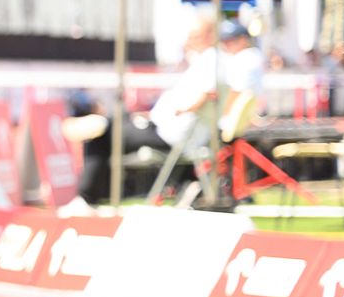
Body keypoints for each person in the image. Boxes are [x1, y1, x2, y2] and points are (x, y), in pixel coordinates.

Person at [75, 15, 262, 202]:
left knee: (102, 131)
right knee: (110, 125)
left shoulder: (212, 61)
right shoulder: (214, 61)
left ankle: (86, 196)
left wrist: (180, 110)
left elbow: (208, 94)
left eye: (195, 36)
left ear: (210, 35)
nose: (190, 40)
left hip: (171, 134)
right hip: (171, 130)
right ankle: (94, 193)